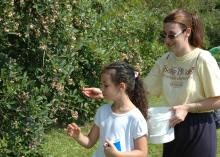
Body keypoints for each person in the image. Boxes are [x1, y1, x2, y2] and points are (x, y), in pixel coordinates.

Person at [82, 9, 220, 157]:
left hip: (199, 127)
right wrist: (105, 92)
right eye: (164, 35)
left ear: (187, 32)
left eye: (172, 35)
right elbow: (140, 90)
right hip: (171, 126)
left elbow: (217, 100)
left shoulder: (203, 59)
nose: (167, 41)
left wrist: (187, 107)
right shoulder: (165, 61)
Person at [67, 61, 148, 157]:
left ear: (121, 86)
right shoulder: (102, 111)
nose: (101, 89)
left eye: (106, 85)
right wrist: (78, 136)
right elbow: (89, 142)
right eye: (101, 84)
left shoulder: (135, 118)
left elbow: (142, 153)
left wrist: (118, 155)